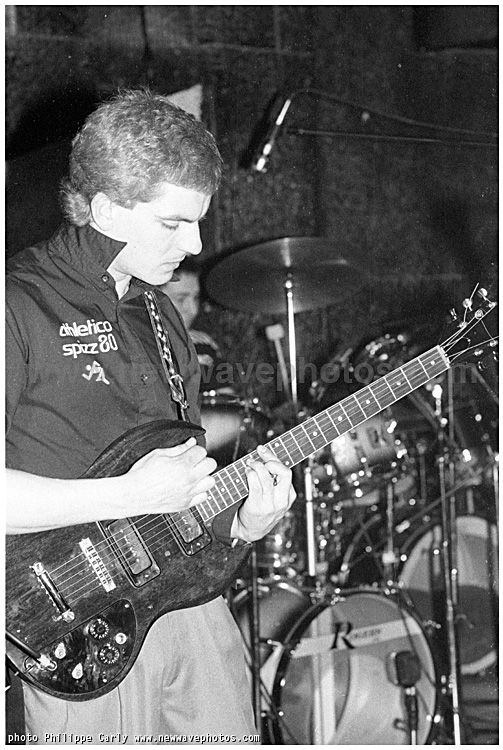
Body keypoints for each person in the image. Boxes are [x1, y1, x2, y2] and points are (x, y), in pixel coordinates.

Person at [6, 89, 295, 744]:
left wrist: (242, 526)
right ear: (106, 209)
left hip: (189, 608)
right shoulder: (17, 304)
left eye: (198, 222)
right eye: (172, 223)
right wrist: (128, 495)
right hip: (71, 625)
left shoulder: (160, 314)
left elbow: (180, 497)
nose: (195, 244)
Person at [159, 258, 232, 393]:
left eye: (196, 298)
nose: (193, 310)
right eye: (181, 299)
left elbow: (224, 400)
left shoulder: (200, 345)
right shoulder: (128, 345)